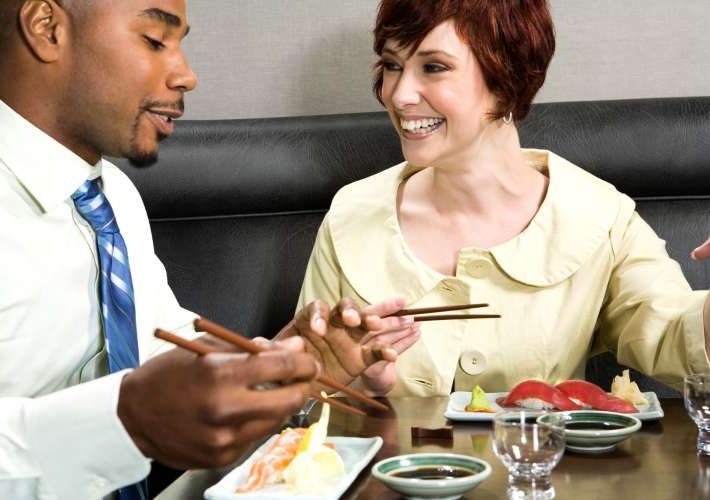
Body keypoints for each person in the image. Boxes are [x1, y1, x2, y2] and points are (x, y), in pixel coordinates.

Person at [0, 1, 411, 498]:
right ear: (46, 27)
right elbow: (138, 405)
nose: (187, 76)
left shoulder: (110, 195)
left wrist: (282, 370)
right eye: (155, 40)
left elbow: (159, 354)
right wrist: (125, 422)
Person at [297, 0, 710, 398]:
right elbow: (304, 402)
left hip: (540, 468)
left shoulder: (598, 216)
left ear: (506, 78)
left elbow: (678, 341)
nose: (399, 94)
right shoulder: (350, 215)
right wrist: (370, 385)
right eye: (392, 65)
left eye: (434, 67)